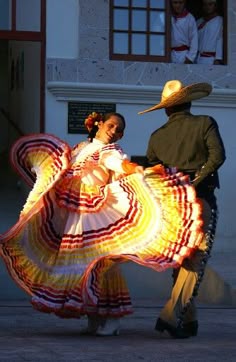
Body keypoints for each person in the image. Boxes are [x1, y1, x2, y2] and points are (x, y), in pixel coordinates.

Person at [0, 111, 203, 337]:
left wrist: (139, 170)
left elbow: (121, 165)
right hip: (74, 215)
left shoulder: (110, 152)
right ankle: (95, 319)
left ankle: (113, 319)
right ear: (98, 124)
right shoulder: (78, 149)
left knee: (102, 263)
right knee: (83, 266)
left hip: (96, 214)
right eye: (111, 125)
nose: (114, 130)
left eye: (119, 129)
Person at [139, 79, 226, 338]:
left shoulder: (157, 136)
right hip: (201, 198)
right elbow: (217, 157)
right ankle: (170, 315)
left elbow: (153, 172)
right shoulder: (205, 122)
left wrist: (174, 188)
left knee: (182, 261)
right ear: (189, 102)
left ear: (166, 110)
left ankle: (189, 322)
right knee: (195, 260)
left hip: (172, 205)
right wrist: (195, 181)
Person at [196, 0, 223, 65]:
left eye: (210, 4)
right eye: (205, 4)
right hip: (198, 59)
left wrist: (218, 59)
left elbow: (220, 39)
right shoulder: (199, 21)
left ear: (215, 6)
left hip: (211, 60)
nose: (207, 7)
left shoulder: (220, 21)